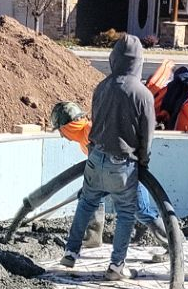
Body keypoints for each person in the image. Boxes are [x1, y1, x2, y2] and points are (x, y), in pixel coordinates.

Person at [61, 35, 155, 281]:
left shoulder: (101, 87)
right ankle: (116, 267)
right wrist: (143, 161)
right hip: (122, 164)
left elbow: (96, 122)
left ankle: (71, 252)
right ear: (138, 62)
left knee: (86, 203)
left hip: (95, 157)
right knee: (126, 213)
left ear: (114, 59)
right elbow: (147, 135)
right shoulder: (142, 94)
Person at [50, 100, 163, 247]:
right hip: (109, 174)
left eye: (60, 130)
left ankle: (173, 243)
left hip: (127, 173)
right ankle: (93, 238)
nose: (61, 135)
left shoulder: (92, 131)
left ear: (68, 127)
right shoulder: (85, 135)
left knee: (141, 209)